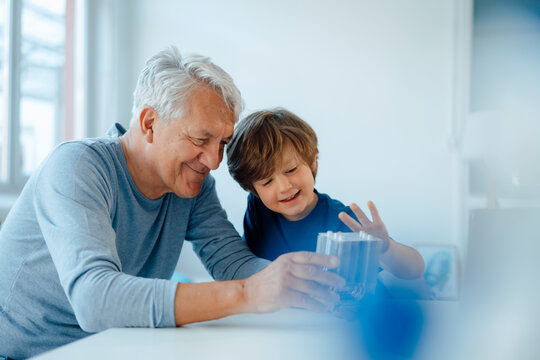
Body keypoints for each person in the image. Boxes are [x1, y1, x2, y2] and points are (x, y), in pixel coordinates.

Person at [0, 47, 345, 359]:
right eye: (200, 139)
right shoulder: (77, 167)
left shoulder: (192, 187)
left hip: (115, 346)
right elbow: (94, 299)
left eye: (223, 142)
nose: (213, 161)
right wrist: (247, 293)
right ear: (150, 124)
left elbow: (233, 264)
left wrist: (308, 285)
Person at [226, 108, 424, 279]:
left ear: (312, 160)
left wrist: (384, 248)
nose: (284, 187)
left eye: (291, 170)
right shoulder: (257, 208)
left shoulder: (343, 220)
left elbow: (414, 269)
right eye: (267, 181)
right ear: (252, 189)